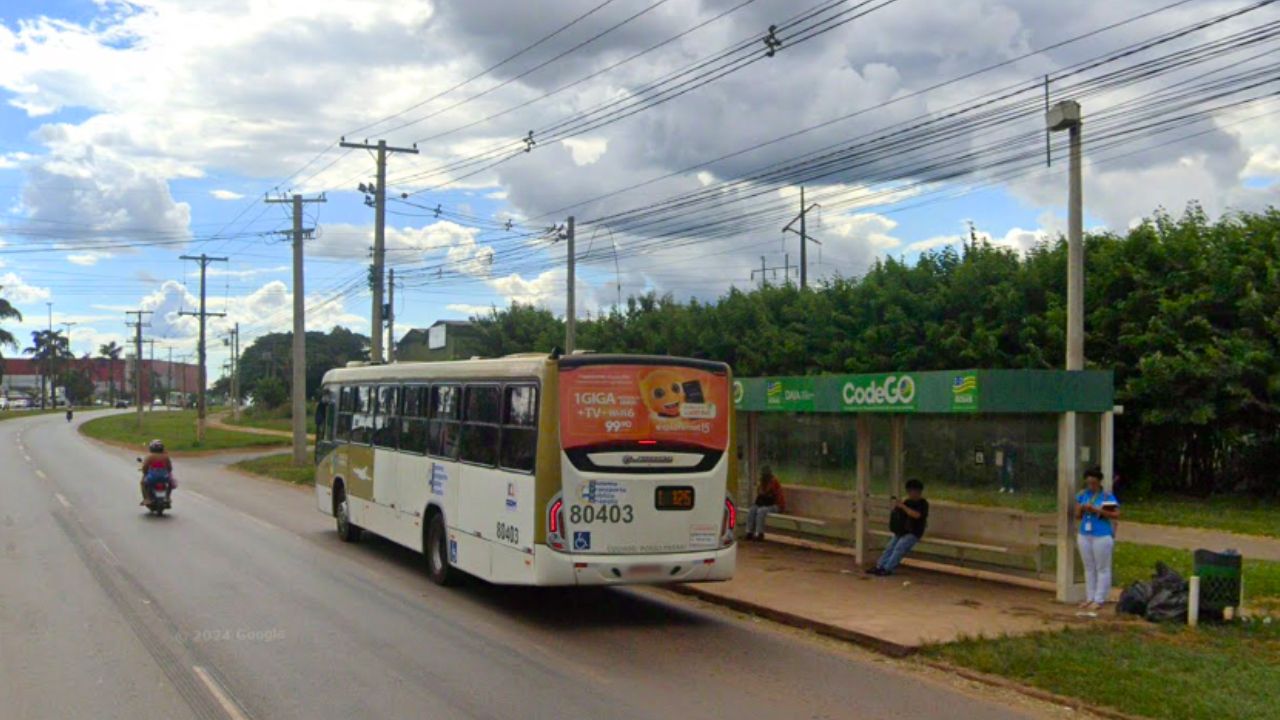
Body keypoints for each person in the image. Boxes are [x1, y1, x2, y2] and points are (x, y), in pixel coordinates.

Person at [1076, 466, 1120, 613]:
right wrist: (1082, 508)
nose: (1091, 486)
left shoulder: (1106, 496)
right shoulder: (1083, 495)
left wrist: (1096, 510)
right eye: (1088, 483)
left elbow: (1115, 514)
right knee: (1088, 567)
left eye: (1094, 483)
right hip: (1085, 533)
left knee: (1102, 567)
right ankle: (1090, 596)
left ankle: (1099, 598)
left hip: (1101, 534)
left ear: (1099, 482)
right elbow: (1077, 515)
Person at [868, 479, 929, 576]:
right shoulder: (907, 502)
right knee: (890, 547)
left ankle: (888, 568)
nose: (911, 494)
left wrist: (903, 507)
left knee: (899, 547)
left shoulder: (923, 503)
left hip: (914, 532)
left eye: (913, 491)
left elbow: (916, 515)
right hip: (902, 531)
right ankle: (880, 566)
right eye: (909, 491)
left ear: (918, 492)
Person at [745, 465, 786, 541]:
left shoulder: (773, 481)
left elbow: (770, 496)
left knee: (761, 511)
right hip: (766, 504)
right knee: (752, 509)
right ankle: (749, 531)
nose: (764, 476)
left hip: (777, 505)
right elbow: (760, 495)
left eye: (765, 474)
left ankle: (759, 533)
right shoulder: (762, 482)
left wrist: (763, 494)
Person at [140, 439, 174, 505]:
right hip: (165, 477)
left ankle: (147, 498)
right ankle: (167, 497)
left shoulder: (149, 457)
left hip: (152, 478)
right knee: (171, 483)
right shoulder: (166, 457)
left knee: (143, 483)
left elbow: (145, 467)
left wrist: (145, 473)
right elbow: (170, 468)